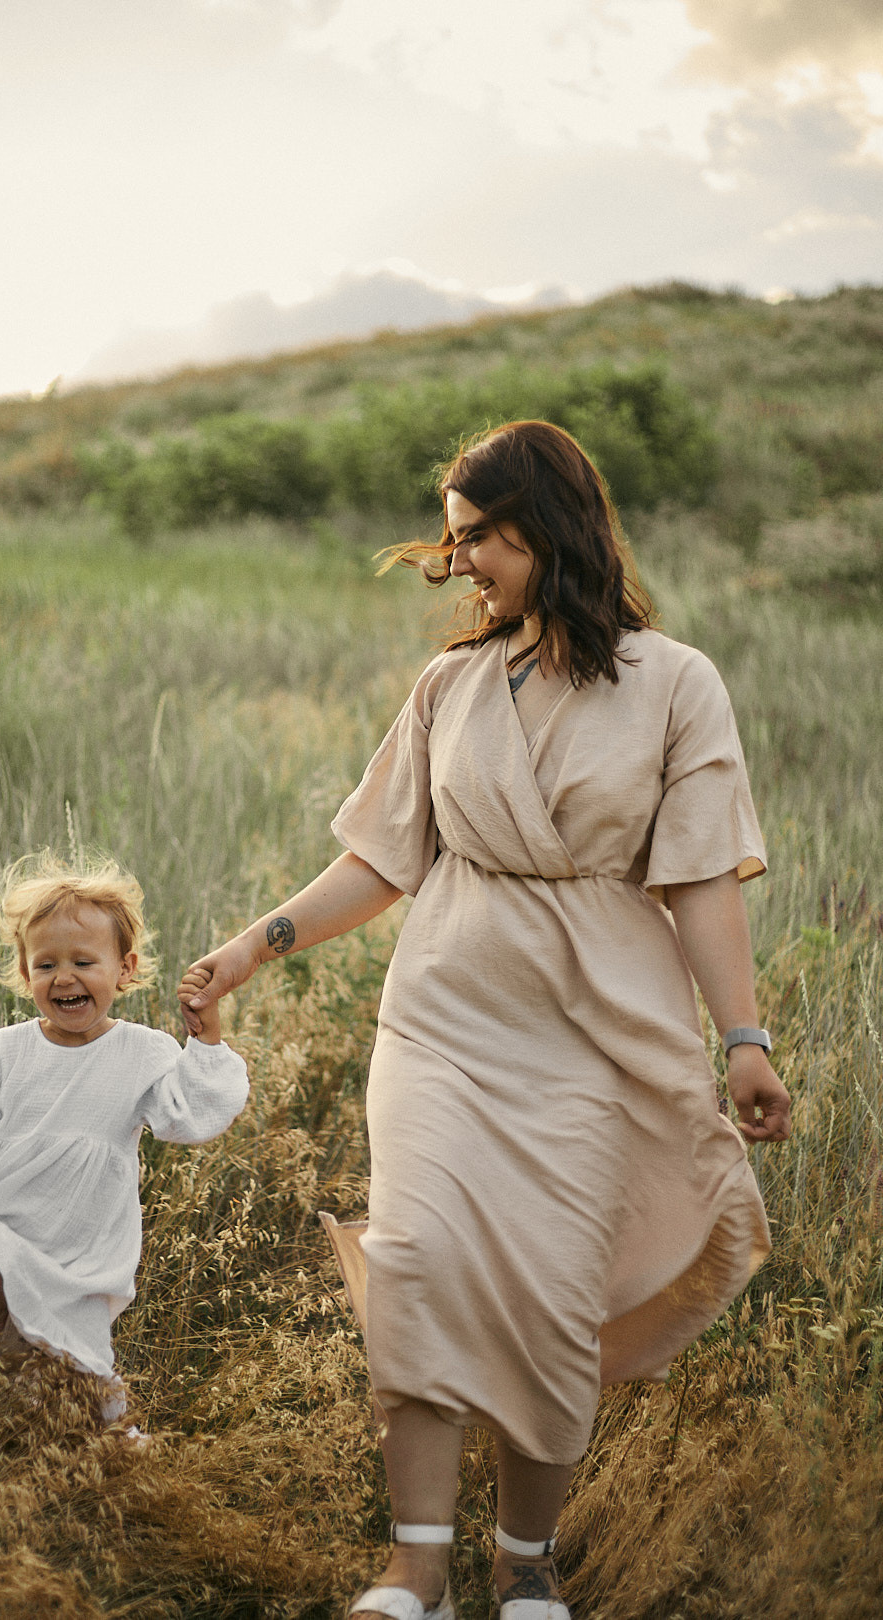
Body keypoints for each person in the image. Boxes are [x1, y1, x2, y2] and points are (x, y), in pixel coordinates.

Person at [181, 419, 792, 1620]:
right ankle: (417, 1571)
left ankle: (524, 1564)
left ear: (547, 526)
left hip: (595, 1035)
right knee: (418, 1263)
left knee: (549, 1293)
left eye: (477, 540)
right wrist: (253, 947)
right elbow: (382, 860)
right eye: (451, 542)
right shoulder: (449, 686)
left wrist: (745, 1039)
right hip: (442, 1022)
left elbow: (702, 880)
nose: (459, 566)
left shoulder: (676, 683)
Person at [0, 850, 248, 1424]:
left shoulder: (143, 1053)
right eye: (45, 965)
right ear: (25, 972)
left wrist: (205, 1039)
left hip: (77, 1254)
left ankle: (59, 1422)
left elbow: (192, 1115)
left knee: (78, 1414)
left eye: (84, 961)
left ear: (125, 969)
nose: (64, 977)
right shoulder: (4, 1051)